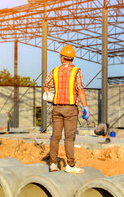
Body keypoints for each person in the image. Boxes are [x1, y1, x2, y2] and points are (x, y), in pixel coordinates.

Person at [44, 44, 89, 174]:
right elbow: (80, 90)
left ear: (62, 57)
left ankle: (53, 163)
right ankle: (70, 164)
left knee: (55, 136)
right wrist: (85, 106)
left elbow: (46, 85)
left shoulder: (55, 71)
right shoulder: (76, 72)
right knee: (69, 138)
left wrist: (50, 99)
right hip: (70, 109)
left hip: (57, 108)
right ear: (72, 59)